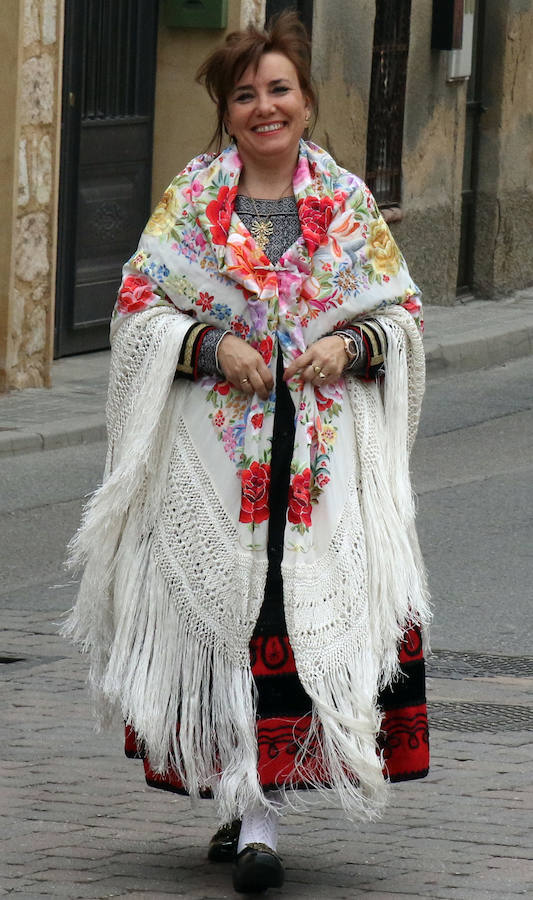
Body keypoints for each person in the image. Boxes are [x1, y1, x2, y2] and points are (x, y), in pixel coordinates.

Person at [63, 12, 431, 895]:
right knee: (227, 630)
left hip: (320, 469)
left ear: (305, 102)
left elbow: (402, 318)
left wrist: (349, 349)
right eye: (244, 94)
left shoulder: (344, 206)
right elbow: (137, 310)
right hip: (217, 464)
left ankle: (262, 816)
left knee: (284, 627)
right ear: (225, 110)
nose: (263, 107)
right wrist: (206, 346)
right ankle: (239, 791)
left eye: (279, 90)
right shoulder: (192, 201)